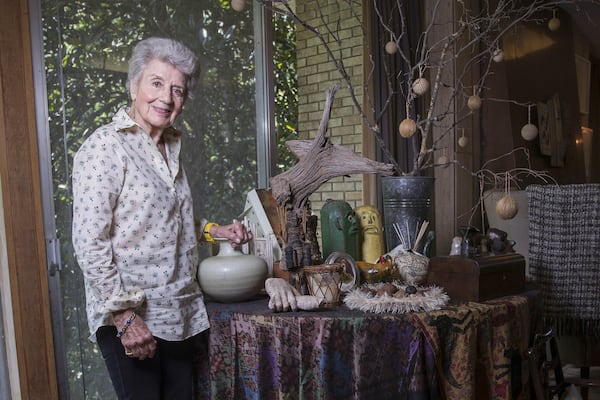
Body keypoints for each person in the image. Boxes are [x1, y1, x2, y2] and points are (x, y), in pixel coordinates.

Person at [71, 37, 252, 399]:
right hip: (134, 318)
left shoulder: (169, 148)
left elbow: (176, 221)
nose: (166, 98)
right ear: (134, 85)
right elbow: (89, 242)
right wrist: (124, 319)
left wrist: (217, 231)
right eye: (156, 83)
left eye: (177, 90)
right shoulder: (105, 147)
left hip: (179, 313)